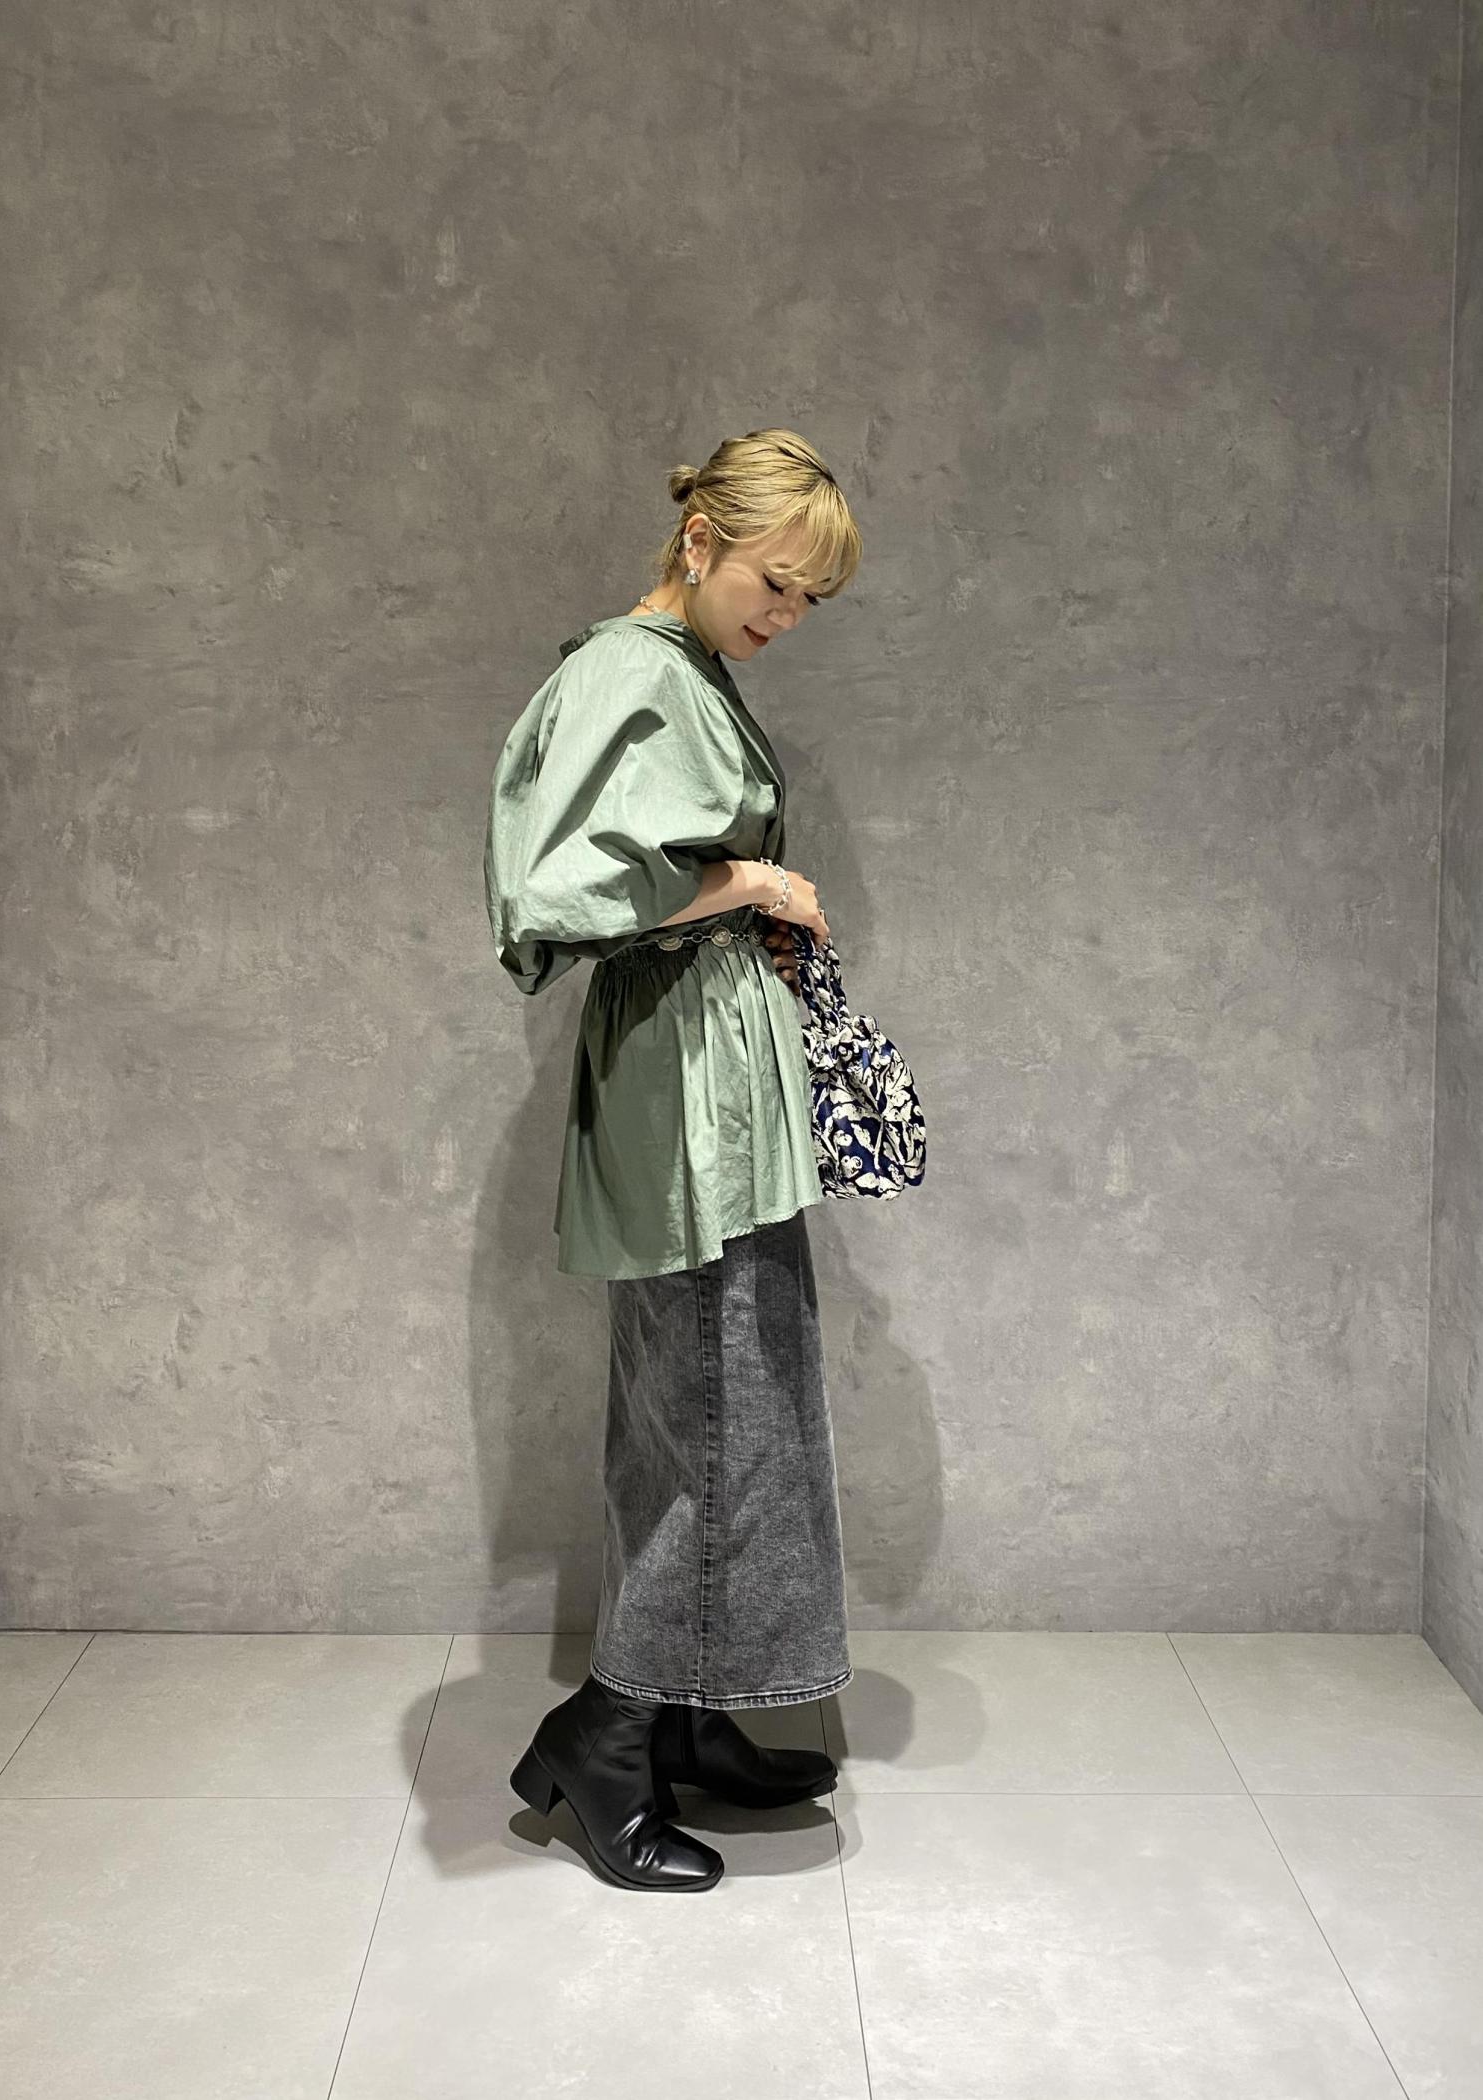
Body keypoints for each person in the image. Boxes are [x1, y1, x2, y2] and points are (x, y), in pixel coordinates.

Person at [485, 428, 864, 1892]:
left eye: (811, 600)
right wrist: (754, 877)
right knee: (709, 1403)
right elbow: (555, 888)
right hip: (685, 1095)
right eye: (776, 582)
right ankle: (608, 1739)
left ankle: (687, 1711)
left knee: (729, 1391)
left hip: (714, 1083)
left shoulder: (686, 670)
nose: (788, 616)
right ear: (700, 542)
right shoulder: (631, 672)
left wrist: (750, 905)